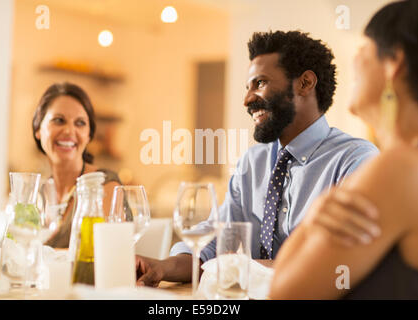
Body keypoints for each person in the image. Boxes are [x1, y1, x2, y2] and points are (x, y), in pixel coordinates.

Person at [135, 31, 379, 286]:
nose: (247, 99)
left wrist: (248, 268)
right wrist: (161, 267)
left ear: (305, 83)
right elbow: (215, 244)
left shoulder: (355, 161)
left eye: (260, 83)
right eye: (248, 87)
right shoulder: (252, 162)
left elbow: (344, 265)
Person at [270, 0, 418, 299]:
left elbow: (284, 293)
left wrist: (312, 220)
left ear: (394, 63)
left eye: (362, 51)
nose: (350, 62)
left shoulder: (398, 167)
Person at [32, 82, 122, 248]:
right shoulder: (36, 193)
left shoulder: (104, 185)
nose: (69, 131)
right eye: (59, 120)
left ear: (89, 135)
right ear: (38, 129)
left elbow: (98, 255)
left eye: (80, 123)